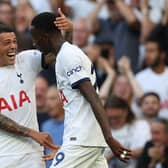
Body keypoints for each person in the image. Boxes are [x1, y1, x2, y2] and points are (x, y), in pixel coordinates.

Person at [31, 12, 132, 168]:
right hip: (88, 140)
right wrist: (70, 31)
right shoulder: (66, 54)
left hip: (81, 140)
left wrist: (110, 138)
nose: (34, 44)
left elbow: (93, 97)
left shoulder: (68, 55)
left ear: (44, 37)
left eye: (35, 38)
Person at [0, 9, 72, 168]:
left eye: (14, 41)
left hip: (33, 155)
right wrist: (31, 133)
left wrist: (68, 32)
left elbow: (60, 54)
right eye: (7, 43)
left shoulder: (26, 60)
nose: (13, 47)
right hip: (4, 156)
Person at [104, 95, 151, 168]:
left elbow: (144, 150)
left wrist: (118, 153)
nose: (113, 121)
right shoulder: (99, 130)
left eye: (117, 117)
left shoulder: (141, 126)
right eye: (110, 118)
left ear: (126, 112)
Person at [136, 27, 168, 119]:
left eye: (151, 51)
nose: (147, 55)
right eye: (146, 51)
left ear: (162, 54)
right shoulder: (139, 78)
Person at [42, 85, 64, 168]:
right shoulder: (45, 126)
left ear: (62, 100)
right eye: (46, 99)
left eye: (52, 99)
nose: (48, 103)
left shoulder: (72, 124)